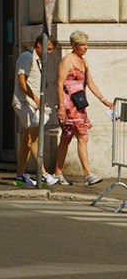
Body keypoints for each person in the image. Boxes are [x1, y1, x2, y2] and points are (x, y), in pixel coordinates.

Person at [52, 30, 113, 187]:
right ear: (74, 45)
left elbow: (90, 83)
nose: (86, 47)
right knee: (79, 137)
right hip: (68, 106)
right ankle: (85, 174)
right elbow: (59, 84)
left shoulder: (84, 62)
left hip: (79, 106)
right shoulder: (67, 61)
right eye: (82, 45)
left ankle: (59, 173)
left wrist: (104, 100)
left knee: (69, 138)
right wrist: (61, 107)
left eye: (86, 44)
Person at [14, 30, 52, 187]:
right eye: (48, 49)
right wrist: (36, 99)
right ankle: (43, 174)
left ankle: (19, 176)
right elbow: (22, 83)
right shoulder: (27, 57)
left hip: (33, 104)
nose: (49, 52)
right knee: (33, 139)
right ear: (39, 44)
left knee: (27, 140)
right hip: (24, 103)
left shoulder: (38, 60)